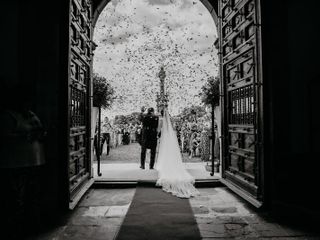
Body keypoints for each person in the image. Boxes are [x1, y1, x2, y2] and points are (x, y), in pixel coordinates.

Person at [156, 109, 199, 198]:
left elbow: (159, 130)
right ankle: (171, 163)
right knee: (170, 151)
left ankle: (165, 164)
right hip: (170, 138)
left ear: (161, 114)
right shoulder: (171, 120)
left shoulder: (161, 120)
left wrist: (158, 135)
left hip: (164, 138)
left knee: (164, 151)